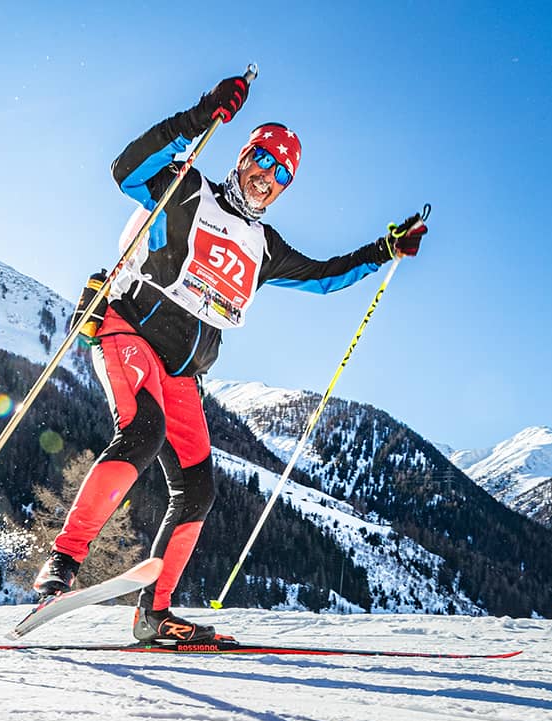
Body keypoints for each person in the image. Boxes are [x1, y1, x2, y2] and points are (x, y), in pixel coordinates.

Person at [32, 74, 427, 644]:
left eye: (281, 173)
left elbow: (324, 276)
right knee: (142, 430)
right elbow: (127, 169)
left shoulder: (266, 247)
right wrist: (201, 115)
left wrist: (383, 250)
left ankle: (154, 613)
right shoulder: (187, 190)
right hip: (131, 332)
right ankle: (65, 561)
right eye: (261, 160)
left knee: (197, 487)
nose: (267, 177)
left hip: (183, 371)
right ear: (243, 158)